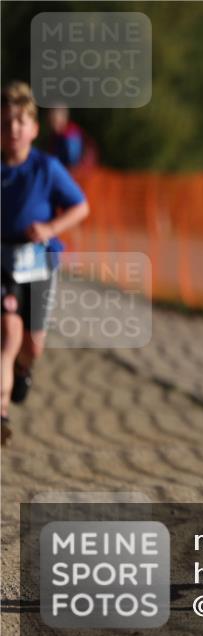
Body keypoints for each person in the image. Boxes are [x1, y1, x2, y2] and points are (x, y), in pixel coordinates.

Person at [1, 82, 89, 444]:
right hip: (2, 260)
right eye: (6, 122)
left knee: (32, 345)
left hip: (38, 261)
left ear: (35, 129)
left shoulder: (47, 168)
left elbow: (81, 207)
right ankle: (2, 414)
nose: (13, 129)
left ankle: (24, 370)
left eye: (21, 122)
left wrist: (50, 227)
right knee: (8, 335)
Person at [46, 105, 96, 169]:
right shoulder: (56, 136)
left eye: (53, 119)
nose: (50, 123)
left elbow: (72, 162)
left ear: (63, 118)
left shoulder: (71, 136)